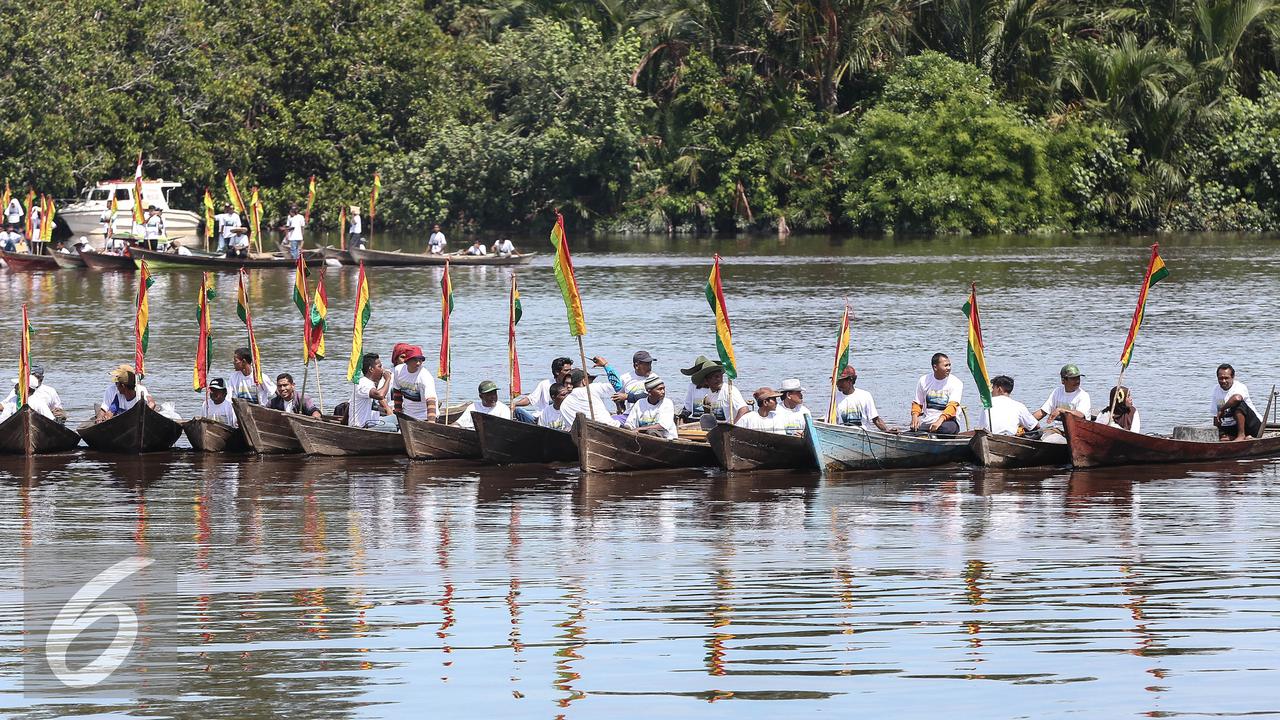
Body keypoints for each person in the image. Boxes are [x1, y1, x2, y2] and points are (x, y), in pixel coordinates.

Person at [680, 358, 749, 422]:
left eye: (719, 376)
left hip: (728, 428)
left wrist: (733, 426)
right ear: (706, 381)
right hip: (716, 428)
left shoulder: (729, 390)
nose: (718, 379)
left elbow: (744, 409)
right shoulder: (708, 394)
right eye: (714, 377)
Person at [910, 352, 963, 434]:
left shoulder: (956, 382)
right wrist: (915, 416)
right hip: (928, 421)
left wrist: (939, 421)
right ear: (935, 367)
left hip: (948, 422)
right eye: (946, 365)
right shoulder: (924, 380)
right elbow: (917, 403)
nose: (949, 368)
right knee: (912, 431)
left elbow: (952, 406)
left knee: (944, 429)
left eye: (949, 365)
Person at [514, 357, 574, 422]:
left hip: (562, 419)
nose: (569, 372)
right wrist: (514, 404)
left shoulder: (571, 386)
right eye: (566, 370)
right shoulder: (545, 384)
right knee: (518, 411)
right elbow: (530, 399)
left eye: (570, 370)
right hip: (542, 419)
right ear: (557, 372)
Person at [830, 366, 891, 432]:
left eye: (841, 381)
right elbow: (829, 420)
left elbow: (876, 420)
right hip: (842, 434)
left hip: (862, 434)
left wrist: (888, 431)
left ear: (850, 380)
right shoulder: (834, 399)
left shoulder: (865, 396)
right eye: (836, 381)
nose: (837, 384)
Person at [1213, 363, 1262, 441]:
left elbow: (1237, 398)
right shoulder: (1216, 390)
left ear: (1233, 377)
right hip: (1234, 426)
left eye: (1226, 378)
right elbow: (1216, 416)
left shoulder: (1239, 387)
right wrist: (1216, 433)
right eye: (1220, 378)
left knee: (1238, 404)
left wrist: (1222, 409)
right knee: (1221, 437)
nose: (1223, 381)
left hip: (1252, 425)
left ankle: (1241, 435)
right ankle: (1240, 437)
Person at [392, 346, 438, 422]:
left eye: (420, 360)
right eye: (415, 360)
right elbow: (397, 392)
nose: (418, 363)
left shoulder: (425, 376)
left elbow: (431, 401)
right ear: (407, 361)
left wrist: (431, 423)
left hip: (424, 417)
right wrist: (398, 413)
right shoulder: (398, 371)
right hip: (407, 415)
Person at [349, 353, 392, 428]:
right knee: (392, 427)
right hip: (362, 427)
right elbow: (380, 395)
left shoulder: (368, 383)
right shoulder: (363, 383)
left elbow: (349, 405)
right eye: (380, 367)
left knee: (397, 419)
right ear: (371, 369)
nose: (382, 370)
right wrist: (388, 379)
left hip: (370, 422)